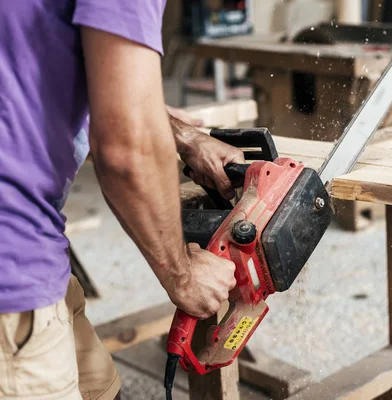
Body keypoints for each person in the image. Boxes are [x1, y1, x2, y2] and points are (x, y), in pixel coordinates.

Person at [0, 1, 242, 399]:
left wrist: (184, 136)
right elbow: (127, 153)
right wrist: (182, 274)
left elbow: (70, 74)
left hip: (34, 253)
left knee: (102, 390)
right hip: (12, 266)